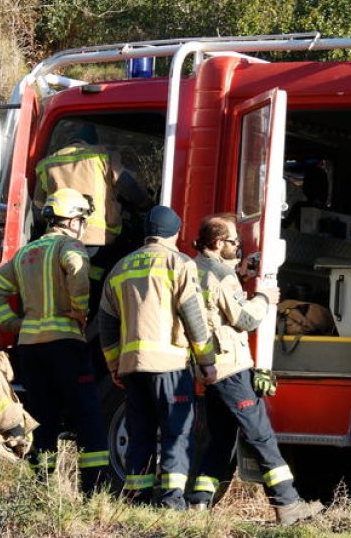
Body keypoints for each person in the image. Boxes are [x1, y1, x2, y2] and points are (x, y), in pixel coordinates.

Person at [187, 213, 324, 525]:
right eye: (234, 242)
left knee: (220, 440)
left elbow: (214, 303)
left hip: (209, 368)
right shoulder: (222, 277)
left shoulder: (195, 268)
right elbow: (245, 319)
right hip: (231, 367)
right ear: (218, 243)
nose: (239, 247)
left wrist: (240, 271)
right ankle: (288, 505)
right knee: (261, 435)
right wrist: (264, 298)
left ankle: (198, 503)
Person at [0, 188, 110, 492]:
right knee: (88, 416)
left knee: (43, 419)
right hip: (65, 344)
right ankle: (94, 490)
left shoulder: (25, 253)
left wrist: (12, 322)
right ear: (73, 221)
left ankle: (40, 487)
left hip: (30, 349)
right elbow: (78, 271)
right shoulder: (70, 245)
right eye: (82, 220)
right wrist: (79, 310)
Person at [98, 206, 217, 509]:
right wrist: (206, 361)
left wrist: (114, 364)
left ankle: (136, 499)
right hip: (170, 366)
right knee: (177, 432)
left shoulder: (121, 267)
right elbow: (193, 316)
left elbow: (107, 323)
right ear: (176, 233)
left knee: (140, 432)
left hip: (132, 367)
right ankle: (171, 501)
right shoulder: (179, 263)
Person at [33, 122, 150, 248]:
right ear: (92, 143)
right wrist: (147, 205)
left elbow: (38, 208)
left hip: (58, 238)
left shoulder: (45, 164)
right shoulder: (102, 155)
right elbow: (126, 184)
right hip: (99, 238)